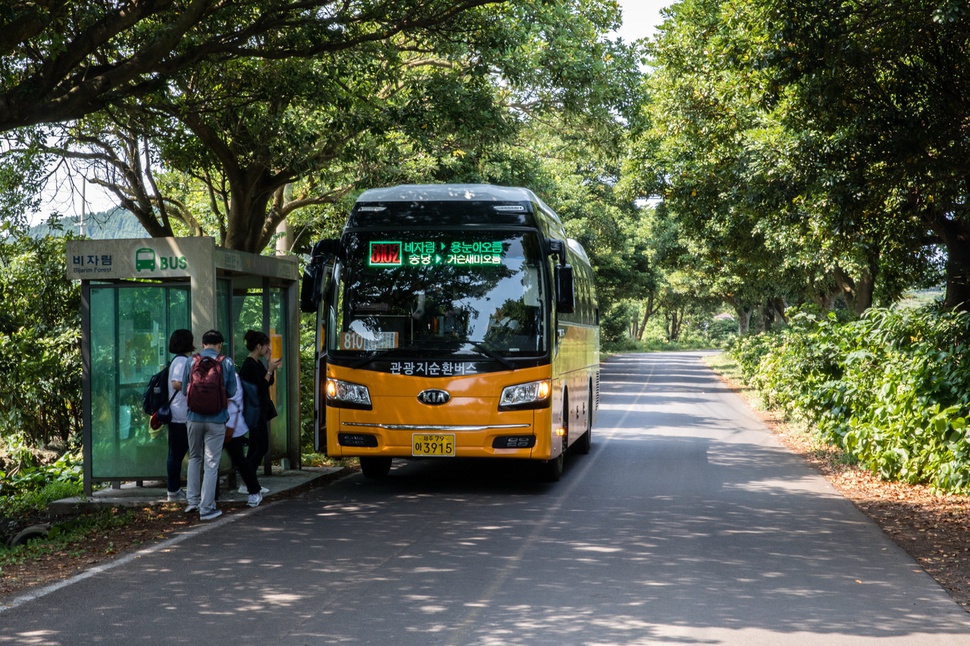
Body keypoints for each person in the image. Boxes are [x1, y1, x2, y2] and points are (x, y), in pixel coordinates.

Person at [182, 329, 236, 521]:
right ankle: (207, 508)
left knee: (195, 457)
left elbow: (183, 391)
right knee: (211, 462)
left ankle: (193, 501)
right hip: (217, 419)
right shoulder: (226, 362)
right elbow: (231, 391)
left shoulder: (191, 361)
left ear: (203, 344)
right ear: (220, 345)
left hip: (193, 418)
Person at [238, 329, 281, 483]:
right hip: (254, 412)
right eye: (265, 346)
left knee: (255, 447)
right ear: (258, 346)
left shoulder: (257, 363)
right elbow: (260, 386)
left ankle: (248, 482)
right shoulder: (249, 365)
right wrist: (269, 369)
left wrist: (270, 367)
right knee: (261, 446)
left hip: (260, 410)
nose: (267, 349)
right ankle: (248, 479)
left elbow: (269, 382)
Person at [225, 373, 263, 507]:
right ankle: (210, 498)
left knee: (239, 460)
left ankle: (254, 490)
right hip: (219, 425)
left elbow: (229, 399)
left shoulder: (232, 377)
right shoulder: (222, 375)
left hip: (232, 426)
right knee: (213, 461)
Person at [165, 329, 194, 502]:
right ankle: (173, 490)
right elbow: (176, 383)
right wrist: (196, 388)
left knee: (176, 453)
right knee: (176, 454)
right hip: (180, 415)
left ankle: (175, 489)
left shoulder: (179, 360)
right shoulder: (181, 362)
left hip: (179, 414)